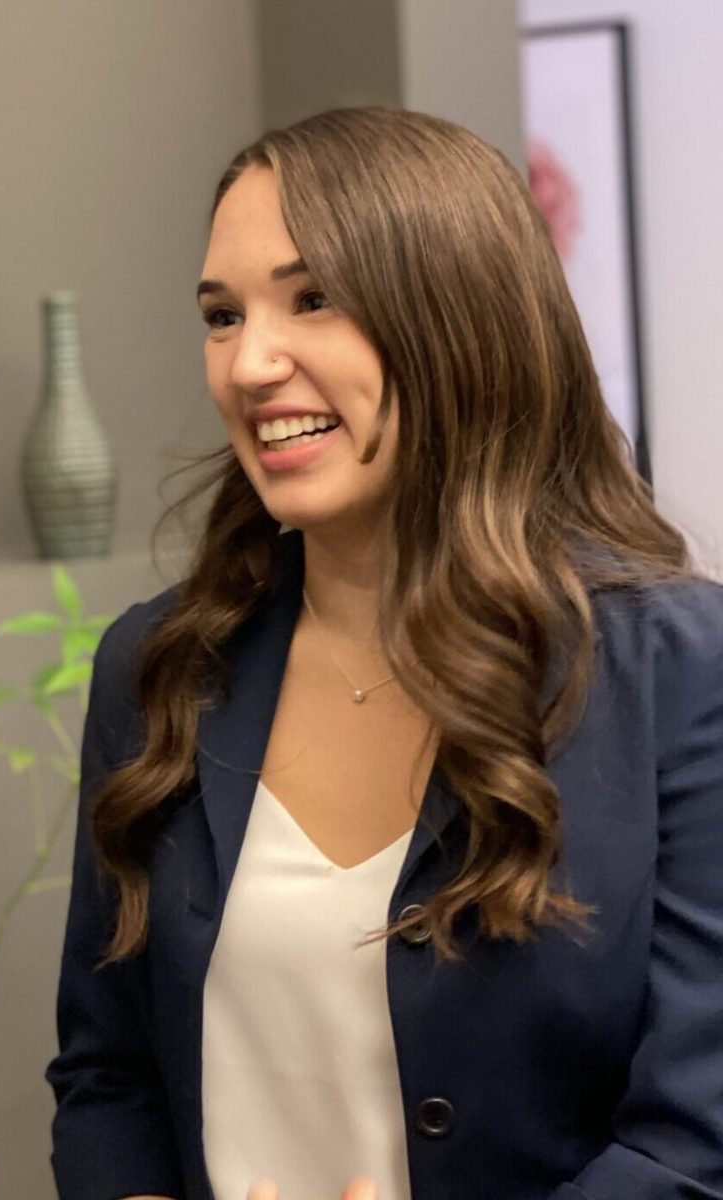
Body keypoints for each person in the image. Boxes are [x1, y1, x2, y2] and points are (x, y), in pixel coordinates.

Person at [43, 106, 723, 1200]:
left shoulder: (684, 672)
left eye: (315, 299)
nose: (251, 362)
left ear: (459, 320)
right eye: (223, 315)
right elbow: (105, 1072)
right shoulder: (158, 669)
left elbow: (697, 1144)